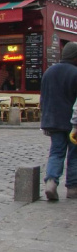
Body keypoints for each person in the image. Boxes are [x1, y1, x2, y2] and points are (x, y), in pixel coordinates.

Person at [40, 41, 77, 200]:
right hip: (71, 121)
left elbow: (44, 98)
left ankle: (51, 182)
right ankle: (73, 188)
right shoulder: (75, 72)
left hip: (53, 120)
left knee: (56, 152)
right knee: (74, 155)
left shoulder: (49, 72)